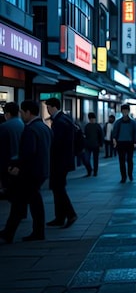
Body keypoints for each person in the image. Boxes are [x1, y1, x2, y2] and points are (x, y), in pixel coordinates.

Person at [0, 101, 51, 243]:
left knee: (21, 202)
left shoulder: (31, 129)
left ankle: (12, 233)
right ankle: (24, 232)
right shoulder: (44, 127)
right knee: (29, 202)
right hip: (41, 170)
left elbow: (28, 152)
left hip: (30, 173)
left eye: (23, 112)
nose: (21, 115)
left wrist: (18, 167)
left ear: (29, 112)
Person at [43, 98, 77, 229]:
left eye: (48, 107)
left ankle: (70, 214)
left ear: (53, 107)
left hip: (59, 161)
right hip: (64, 160)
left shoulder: (59, 122)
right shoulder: (65, 118)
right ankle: (60, 217)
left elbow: (56, 143)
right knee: (58, 188)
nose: (47, 110)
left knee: (58, 188)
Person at [0, 102, 25, 215]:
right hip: (21, 162)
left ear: (7, 114)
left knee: (11, 190)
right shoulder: (22, 124)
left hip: (9, 163)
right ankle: (21, 211)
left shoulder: (4, 127)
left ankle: (17, 213)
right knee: (19, 190)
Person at [111, 104, 136, 183]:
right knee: (121, 161)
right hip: (120, 143)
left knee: (130, 160)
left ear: (128, 111)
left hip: (130, 143)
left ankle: (130, 174)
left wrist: (135, 142)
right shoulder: (118, 122)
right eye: (123, 110)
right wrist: (114, 140)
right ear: (121, 111)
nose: (125, 112)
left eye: (126, 110)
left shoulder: (133, 123)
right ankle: (123, 176)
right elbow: (114, 132)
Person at [83, 113, 103, 177]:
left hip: (96, 145)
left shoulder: (97, 126)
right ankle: (90, 170)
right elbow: (85, 136)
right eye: (90, 119)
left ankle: (95, 172)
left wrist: (100, 145)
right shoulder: (87, 126)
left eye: (92, 119)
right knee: (86, 159)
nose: (92, 120)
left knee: (95, 159)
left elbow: (101, 136)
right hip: (88, 145)